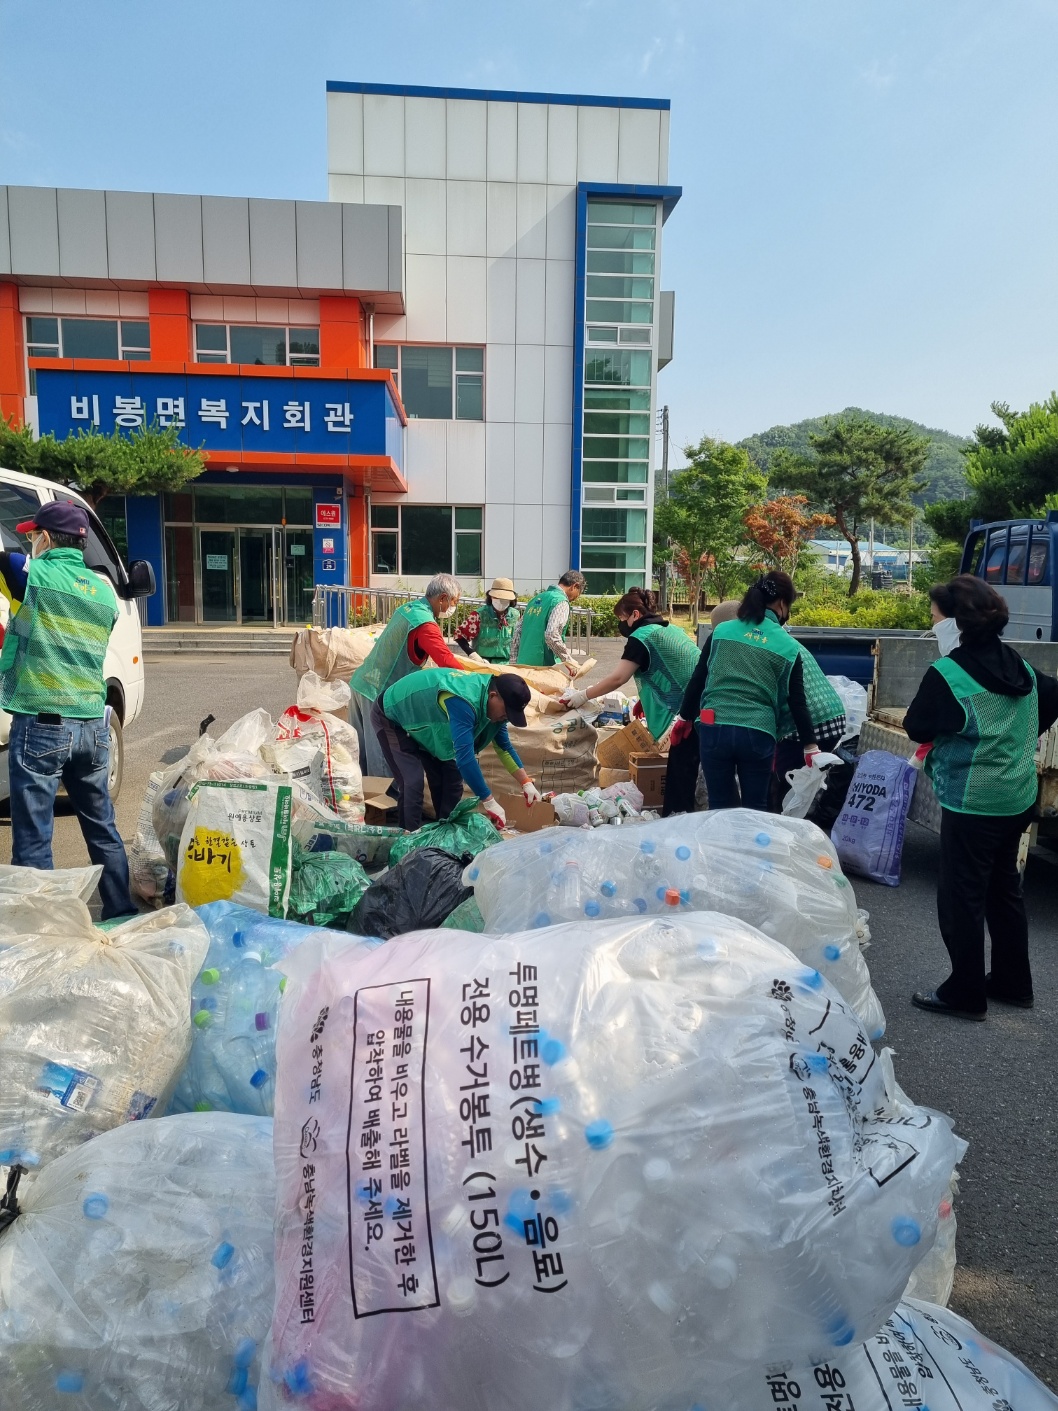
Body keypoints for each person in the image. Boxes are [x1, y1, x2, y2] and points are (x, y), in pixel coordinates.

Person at [904, 575, 1058, 1021]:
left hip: (972, 801)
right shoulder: (1021, 667)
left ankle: (965, 994)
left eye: (935, 615)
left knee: (961, 896)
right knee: (1003, 888)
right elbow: (1050, 697)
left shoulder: (949, 673)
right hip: (1016, 795)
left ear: (954, 622)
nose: (932, 622)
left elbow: (917, 727)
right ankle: (1013, 984)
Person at [0, 500, 134, 919]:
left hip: (43, 724)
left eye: (32, 534)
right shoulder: (104, 591)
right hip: (93, 726)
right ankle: (121, 913)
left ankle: (46, 928)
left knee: (35, 837)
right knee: (102, 828)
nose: (29, 541)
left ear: (44, 537)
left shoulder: (31, 574)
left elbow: (8, 562)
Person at [671, 572, 818, 813]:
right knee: (755, 808)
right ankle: (751, 849)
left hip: (714, 726)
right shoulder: (789, 646)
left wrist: (685, 718)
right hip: (758, 731)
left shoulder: (722, 631)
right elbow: (797, 701)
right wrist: (810, 746)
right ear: (782, 603)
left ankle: (722, 850)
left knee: (719, 806)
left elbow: (698, 679)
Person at [558, 586, 699, 815]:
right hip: (701, 704)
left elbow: (618, 678)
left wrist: (582, 695)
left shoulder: (641, 637)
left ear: (635, 614)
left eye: (623, 618)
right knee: (690, 770)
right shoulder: (669, 629)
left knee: (681, 775)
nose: (621, 624)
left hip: (690, 714)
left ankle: (678, 822)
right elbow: (668, 669)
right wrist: (646, 698)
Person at [373, 666, 539, 832]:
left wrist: (525, 783)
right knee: (413, 782)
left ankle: (442, 835)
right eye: (507, 712)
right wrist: (489, 801)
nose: (506, 718)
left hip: (428, 721)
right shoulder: (463, 701)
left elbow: (504, 747)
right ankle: (407, 843)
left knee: (451, 780)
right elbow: (465, 759)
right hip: (393, 715)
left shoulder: (494, 706)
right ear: (493, 696)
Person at [351, 574, 467, 707]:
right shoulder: (425, 624)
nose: (453, 607)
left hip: (361, 683)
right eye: (454, 602)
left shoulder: (408, 608)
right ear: (442, 598)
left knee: (357, 729)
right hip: (377, 693)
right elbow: (446, 660)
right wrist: (471, 680)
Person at [773, 648, 847, 805]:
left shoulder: (767, 645)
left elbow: (795, 700)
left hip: (810, 720)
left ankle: (784, 820)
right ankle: (800, 812)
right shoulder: (785, 640)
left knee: (784, 782)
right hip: (833, 714)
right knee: (801, 781)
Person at [511, 571, 586, 675]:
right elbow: (551, 634)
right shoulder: (561, 602)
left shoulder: (535, 599)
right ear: (575, 586)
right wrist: (568, 660)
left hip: (523, 665)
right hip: (543, 667)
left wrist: (513, 664)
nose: (576, 597)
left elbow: (517, 631)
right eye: (579, 593)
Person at [456, 578, 520, 663]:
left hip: (508, 664)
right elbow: (460, 636)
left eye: (504, 599)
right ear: (491, 597)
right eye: (497, 597)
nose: (500, 600)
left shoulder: (516, 616)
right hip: (483, 663)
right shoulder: (478, 615)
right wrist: (472, 654)